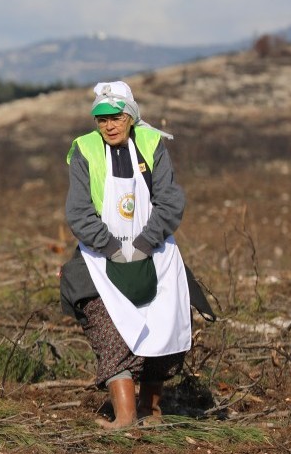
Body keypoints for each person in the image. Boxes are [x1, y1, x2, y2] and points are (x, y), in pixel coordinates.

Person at [60, 81, 213, 429]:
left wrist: (144, 243)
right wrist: (112, 247)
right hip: (100, 257)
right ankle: (125, 415)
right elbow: (78, 211)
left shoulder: (151, 144)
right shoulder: (85, 150)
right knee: (106, 324)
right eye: (102, 120)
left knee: (166, 320)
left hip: (154, 252)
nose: (109, 126)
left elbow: (170, 200)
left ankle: (150, 409)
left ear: (130, 116)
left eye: (116, 118)